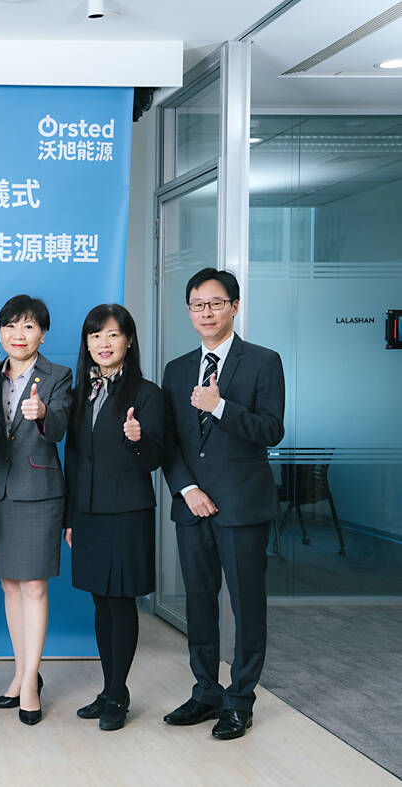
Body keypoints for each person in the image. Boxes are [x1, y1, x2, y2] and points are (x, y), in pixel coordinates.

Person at [161, 267, 285, 741]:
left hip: (242, 506)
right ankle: (206, 691)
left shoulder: (263, 361)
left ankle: (240, 700)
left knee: (247, 605)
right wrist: (186, 489)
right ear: (189, 311)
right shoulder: (176, 370)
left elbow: (271, 430)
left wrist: (219, 407)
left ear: (234, 306)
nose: (206, 312)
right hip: (192, 506)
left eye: (215, 303)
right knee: (199, 602)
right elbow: (169, 442)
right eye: (198, 305)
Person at [63, 304, 163, 732]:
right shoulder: (80, 393)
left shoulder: (146, 393)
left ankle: (119, 693)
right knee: (100, 602)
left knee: (120, 602)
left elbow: (156, 458)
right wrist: (70, 517)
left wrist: (138, 440)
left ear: (129, 340)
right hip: (87, 513)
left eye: (112, 335)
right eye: (95, 335)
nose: (103, 343)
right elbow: (73, 458)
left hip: (125, 513)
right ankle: (107, 689)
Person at [0, 295, 72, 725]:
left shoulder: (58, 375)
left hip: (39, 493)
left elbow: (60, 428)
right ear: (1, 332)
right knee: (9, 587)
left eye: (29, 326)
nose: (19, 335)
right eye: (11, 326)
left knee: (34, 586)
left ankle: (31, 684)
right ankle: (21, 675)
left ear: (43, 333)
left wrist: (41, 414)